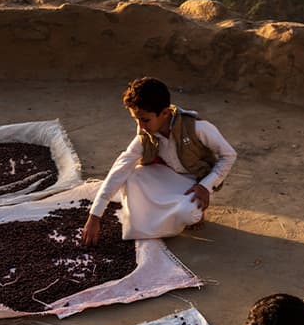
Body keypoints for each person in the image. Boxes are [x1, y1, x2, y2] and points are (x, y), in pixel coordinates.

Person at [81, 77, 237, 244]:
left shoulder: (197, 128)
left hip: (194, 183)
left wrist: (205, 185)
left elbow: (229, 155)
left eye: (145, 120)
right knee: (131, 176)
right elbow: (121, 167)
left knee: (189, 213)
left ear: (164, 113)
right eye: (136, 120)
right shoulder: (145, 135)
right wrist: (95, 216)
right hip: (168, 177)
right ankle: (163, 216)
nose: (140, 126)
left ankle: (182, 211)